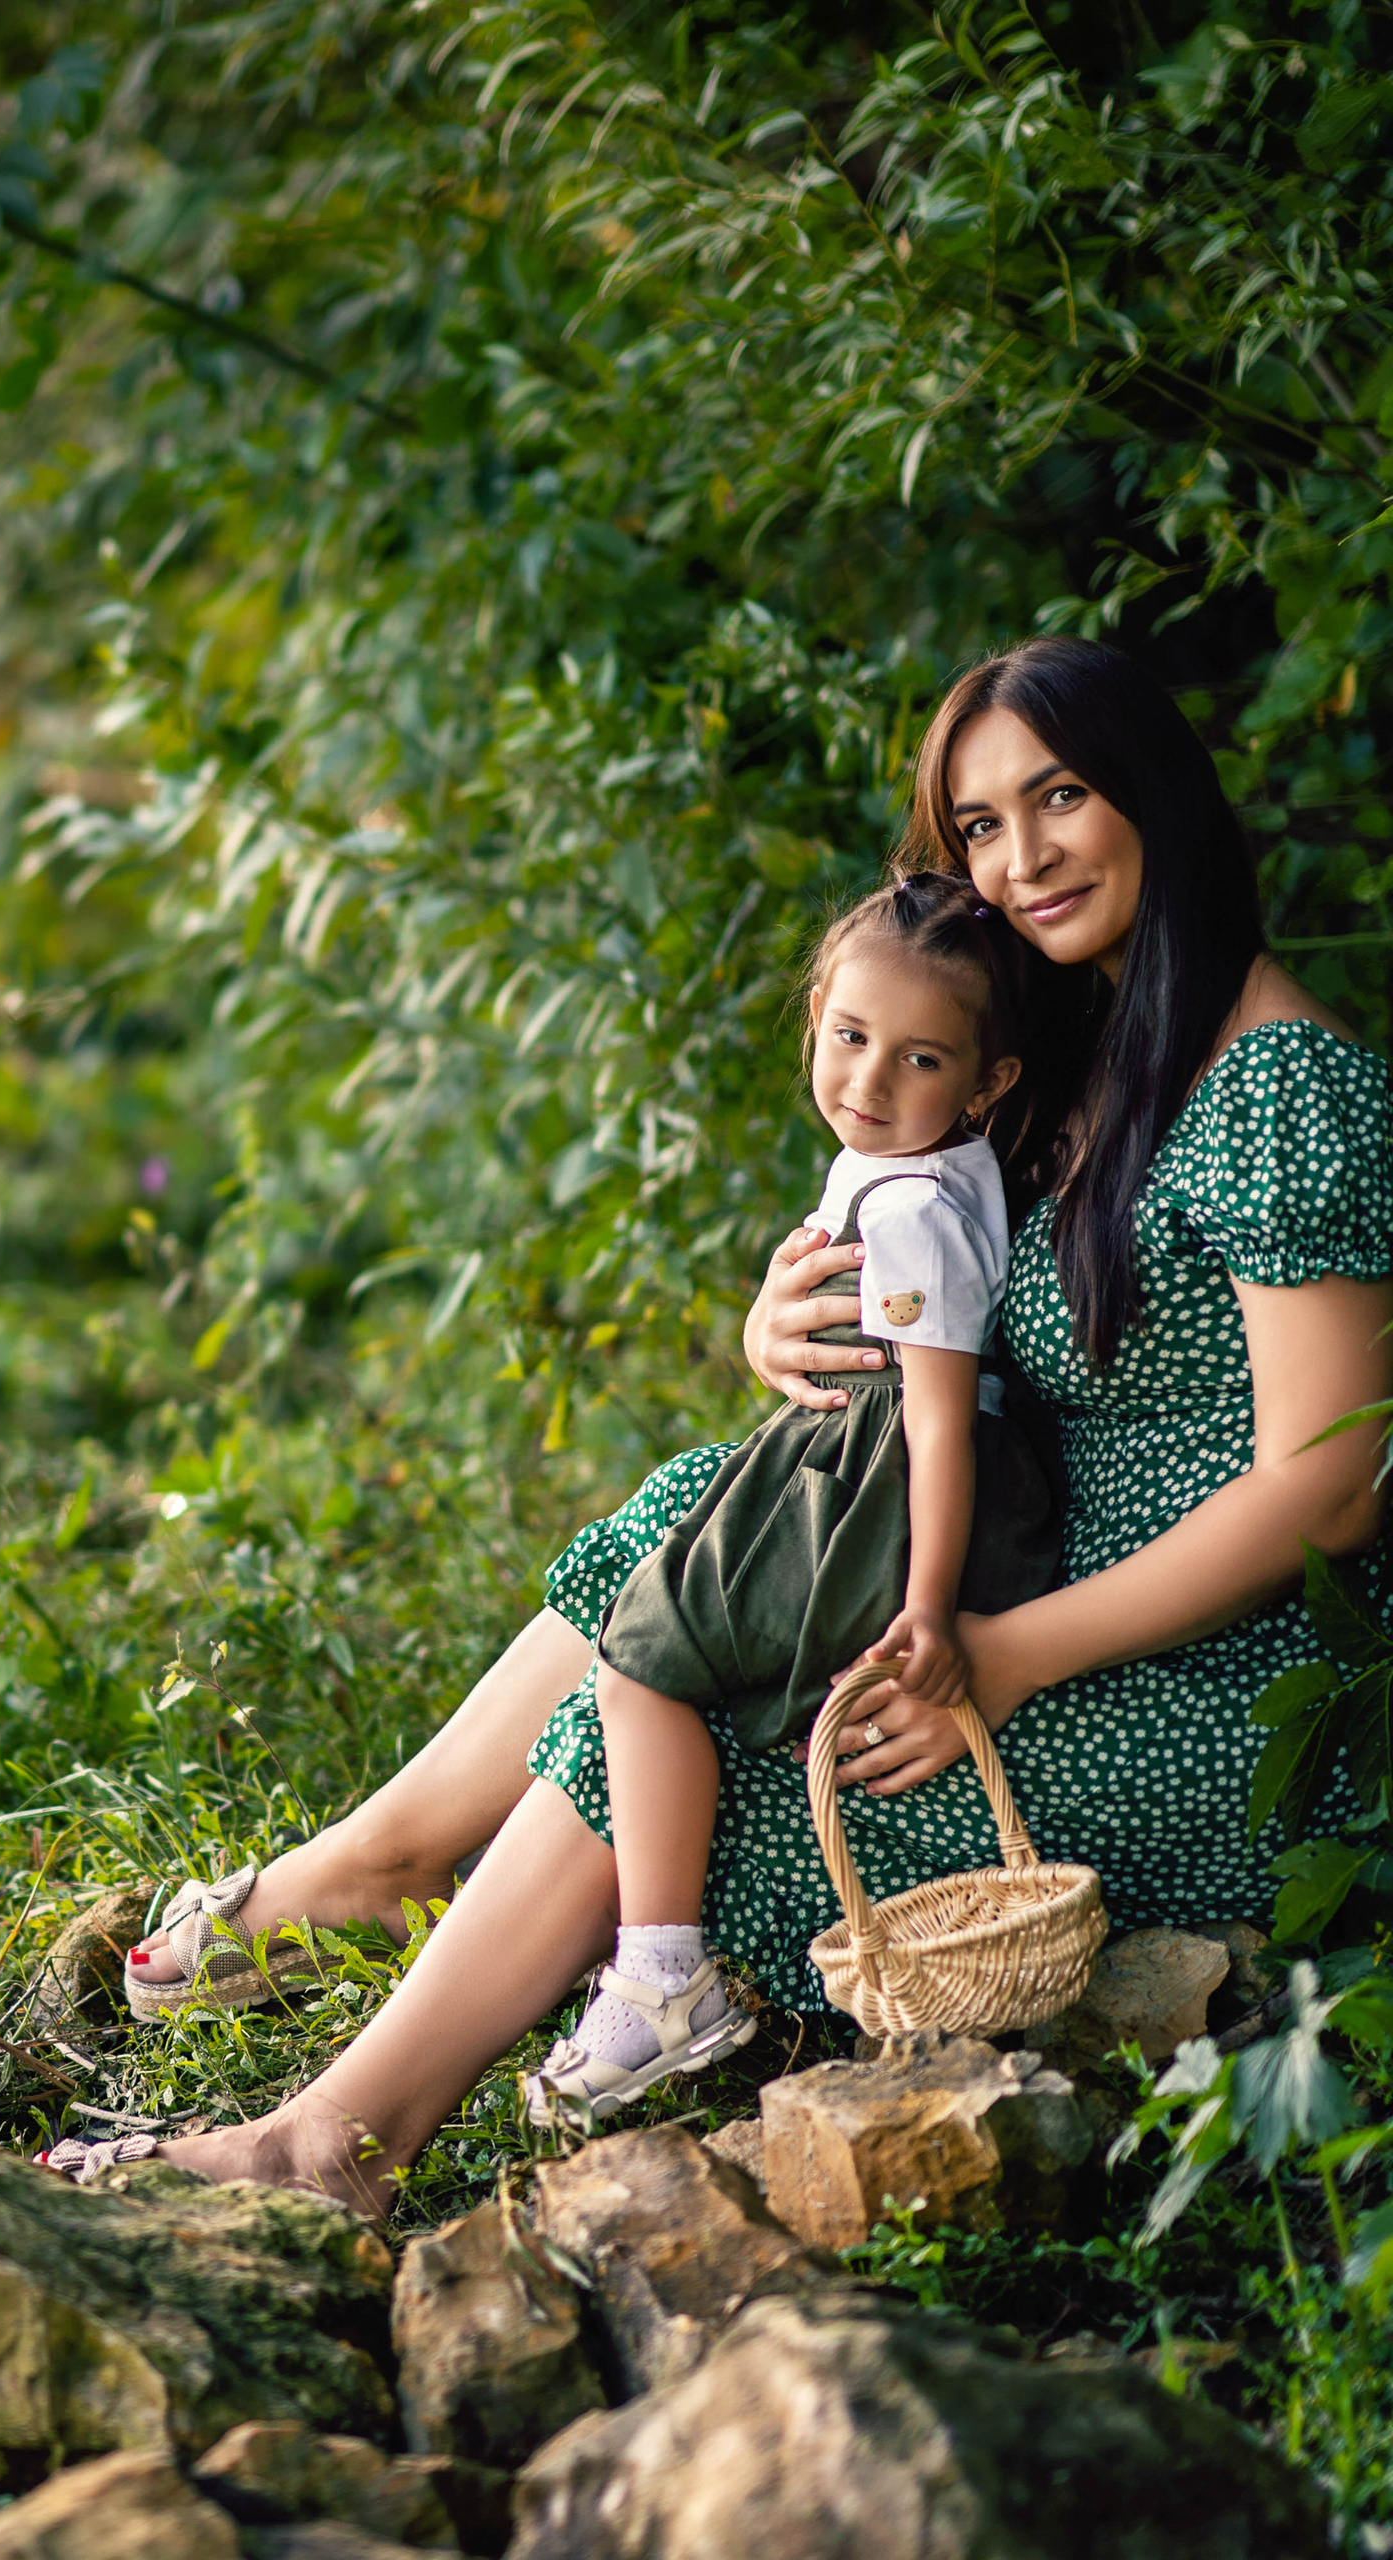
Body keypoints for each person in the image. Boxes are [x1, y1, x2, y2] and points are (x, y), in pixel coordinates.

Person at [106, 635, 1392, 2219]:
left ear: (1156, 795)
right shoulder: (1079, 1053)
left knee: (704, 1726)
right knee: (697, 1514)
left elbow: (1328, 1491)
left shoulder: (1280, 1084)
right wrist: (780, 1326)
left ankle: (344, 2135)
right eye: (981, 825)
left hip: (1221, 1674)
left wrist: (1007, 1655)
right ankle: (383, 1864)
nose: (1023, 856)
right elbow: (956, 1309)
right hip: (1047, 1543)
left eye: (1060, 798)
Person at [528, 870, 1060, 2118]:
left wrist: (929, 1608)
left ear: (985, 1084)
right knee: (660, 1617)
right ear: (816, 1010)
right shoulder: (920, 1165)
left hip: (891, 1488)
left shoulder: (919, 1205)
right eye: (850, 1037)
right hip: (863, 1464)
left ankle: (663, 1972)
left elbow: (937, 1422)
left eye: (919, 1060)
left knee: (638, 1659)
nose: (869, 1084)